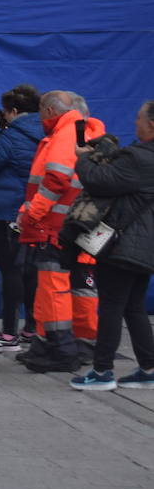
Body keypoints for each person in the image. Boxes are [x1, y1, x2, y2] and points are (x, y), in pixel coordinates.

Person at [17, 91, 106, 373]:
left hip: (56, 228)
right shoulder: (92, 131)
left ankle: (59, 349)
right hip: (85, 227)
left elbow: (55, 180)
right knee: (83, 288)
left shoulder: (65, 134)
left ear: (48, 110)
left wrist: (32, 213)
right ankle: (81, 345)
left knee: (52, 289)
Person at [69, 101, 154, 390]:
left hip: (124, 242)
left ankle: (102, 371)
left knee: (111, 305)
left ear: (151, 125)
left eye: (138, 119)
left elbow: (98, 181)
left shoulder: (140, 158)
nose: (135, 123)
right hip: (145, 245)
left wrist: (82, 158)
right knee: (133, 306)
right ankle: (148, 367)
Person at [0, 85, 43, 352]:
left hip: (5, 212)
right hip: (32, 211)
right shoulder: (46, 131)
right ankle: (31, 328)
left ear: (13, 111)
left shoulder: (11, 136)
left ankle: (9, 333)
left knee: (10, 271)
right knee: (29, 273)